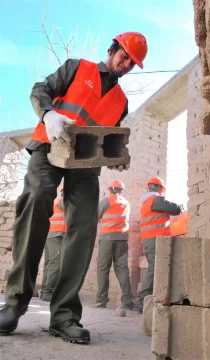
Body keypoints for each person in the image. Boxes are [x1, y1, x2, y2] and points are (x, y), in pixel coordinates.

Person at [0, 32, 148, 343]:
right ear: (113, 49)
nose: (126, 64)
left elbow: (109, 136)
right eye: (124, 56)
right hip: (49, 146)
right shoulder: (77, 68)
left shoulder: (122, 101)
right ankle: (14, 303)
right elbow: (40, 89)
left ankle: (65, 316)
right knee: (37, 199)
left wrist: (115, 156)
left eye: (132, 63)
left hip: (84, 163)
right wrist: (48, 113)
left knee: (83, 226)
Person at [133, 177, 183, 313]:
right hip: (155, 240)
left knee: (155, 269)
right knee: (154, 269)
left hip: (150, 240)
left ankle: (149, 299)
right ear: (160, 188)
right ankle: (140, 301)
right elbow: (176, 209)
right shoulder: (156, 199)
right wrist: (182, 206)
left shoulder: (146, 201)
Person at [94, 180, 133, 310]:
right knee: (122, 269)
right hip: (122, 239)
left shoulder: (106, 201)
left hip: (107, 239)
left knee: (103, 268)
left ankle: (101, 300)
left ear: (110, 189)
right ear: (121, 191)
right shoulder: (126, 203)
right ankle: (127, 300)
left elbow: (95, 216)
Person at [40, 188, 66, 302]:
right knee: (55, 263)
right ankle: (48, 292)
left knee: (48, 264)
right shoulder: (64, 201)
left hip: (50, 235)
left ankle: (44, 291)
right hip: (55, 235)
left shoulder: (58, 201)